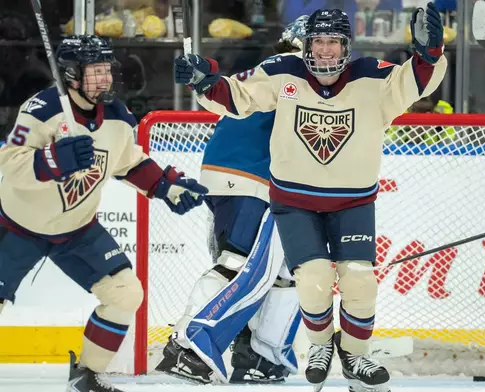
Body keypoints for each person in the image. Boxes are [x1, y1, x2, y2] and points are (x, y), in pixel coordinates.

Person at [174, 3, 446, 391]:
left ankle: (354, 355)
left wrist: (429, 54)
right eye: (318, 41)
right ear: (307, 44)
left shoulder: (371, 76)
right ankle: (318, 346)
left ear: (346, 45)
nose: (325, 50)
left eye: (333, 42)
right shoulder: (283, 70)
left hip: (353, 201)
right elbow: (238, 96)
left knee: (359, 280)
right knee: (312, 280)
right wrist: (204, 80)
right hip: (294, 201)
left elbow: (415, 81)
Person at [0, 35, 208, 392]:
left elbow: (129, 163)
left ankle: (86, 376)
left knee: (126, 293)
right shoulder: (41, 109)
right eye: (95, 71)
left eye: (106, 70)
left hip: (77, 229)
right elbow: (8, 164)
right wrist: (53, 160)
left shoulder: (117, 116)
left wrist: (166, 186)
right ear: (71, 76)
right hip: (19, 226)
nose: (105, 78)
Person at [154, 16, 309, 385]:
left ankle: (261, 355)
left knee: (285, 272)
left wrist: (207, 78)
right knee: (242, 266)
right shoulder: (298, 75)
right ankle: (189, 346)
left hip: (228, 178)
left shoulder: (266, 70)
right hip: (257, 178)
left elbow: (224, 94)